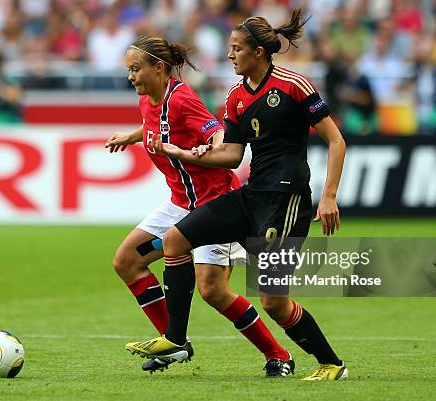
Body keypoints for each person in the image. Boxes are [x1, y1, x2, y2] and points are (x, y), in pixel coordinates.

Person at [125, 10, 348, 381]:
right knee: (176, 240)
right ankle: (175, 338)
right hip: (251, 195)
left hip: (287, 201)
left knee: (273, 301)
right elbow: (231, 155)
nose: (230, 55)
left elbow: (336, 140)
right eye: (229, 48)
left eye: (236, 49)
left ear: (258, 53)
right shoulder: (236, 96)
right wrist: (183, 152)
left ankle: (332, 364)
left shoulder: (294, 84)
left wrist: (329, 197)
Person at [106, 36, 294, 376]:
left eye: (136, 69)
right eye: (129, 70)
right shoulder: (149, 98)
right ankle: (174, 342)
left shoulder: (183, 99)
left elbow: (217, 133)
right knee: (127, 261)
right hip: (180, 204)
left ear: (159, 68)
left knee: (213, 290)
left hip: (215, 205)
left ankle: (278, 355)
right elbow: (154, 125)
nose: (130, 77)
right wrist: (131, 137)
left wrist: (215, 144)